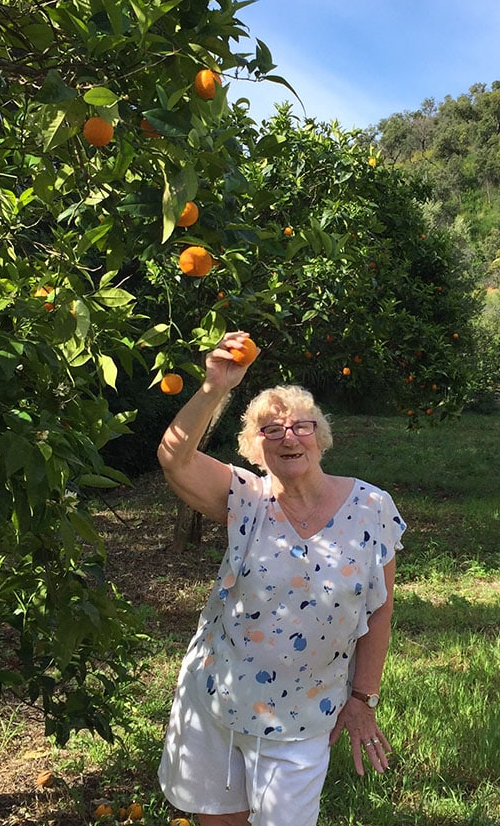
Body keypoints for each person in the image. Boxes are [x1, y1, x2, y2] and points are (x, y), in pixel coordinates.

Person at [156, 331, 406, 826]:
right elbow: (173, 457)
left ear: (321, 436)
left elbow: (380, 610)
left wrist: (362, 698)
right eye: (271, 430)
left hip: (305, 715)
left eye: (301, 426)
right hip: (216, 699)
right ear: (253, 447)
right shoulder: (245, 496)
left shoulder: (372, 507)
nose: (289, 436)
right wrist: (214, 387)